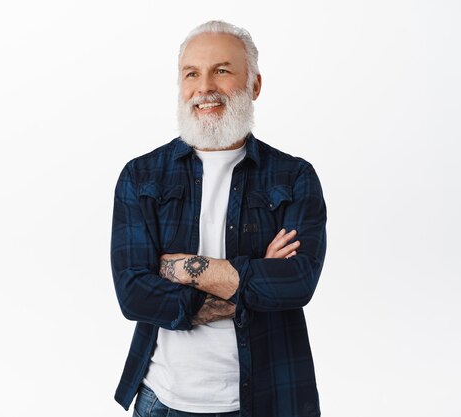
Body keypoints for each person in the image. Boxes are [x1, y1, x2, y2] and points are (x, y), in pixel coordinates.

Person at [110, 20, 327, 417]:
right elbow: (132, 293)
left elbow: (298, 282)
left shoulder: (294, 177)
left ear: (255, 85)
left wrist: (174, 267)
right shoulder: (141, 177)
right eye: (192, 73)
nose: (204, 87)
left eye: (222, 71)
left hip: (269, 399)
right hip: (163, 401)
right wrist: (256, 276)